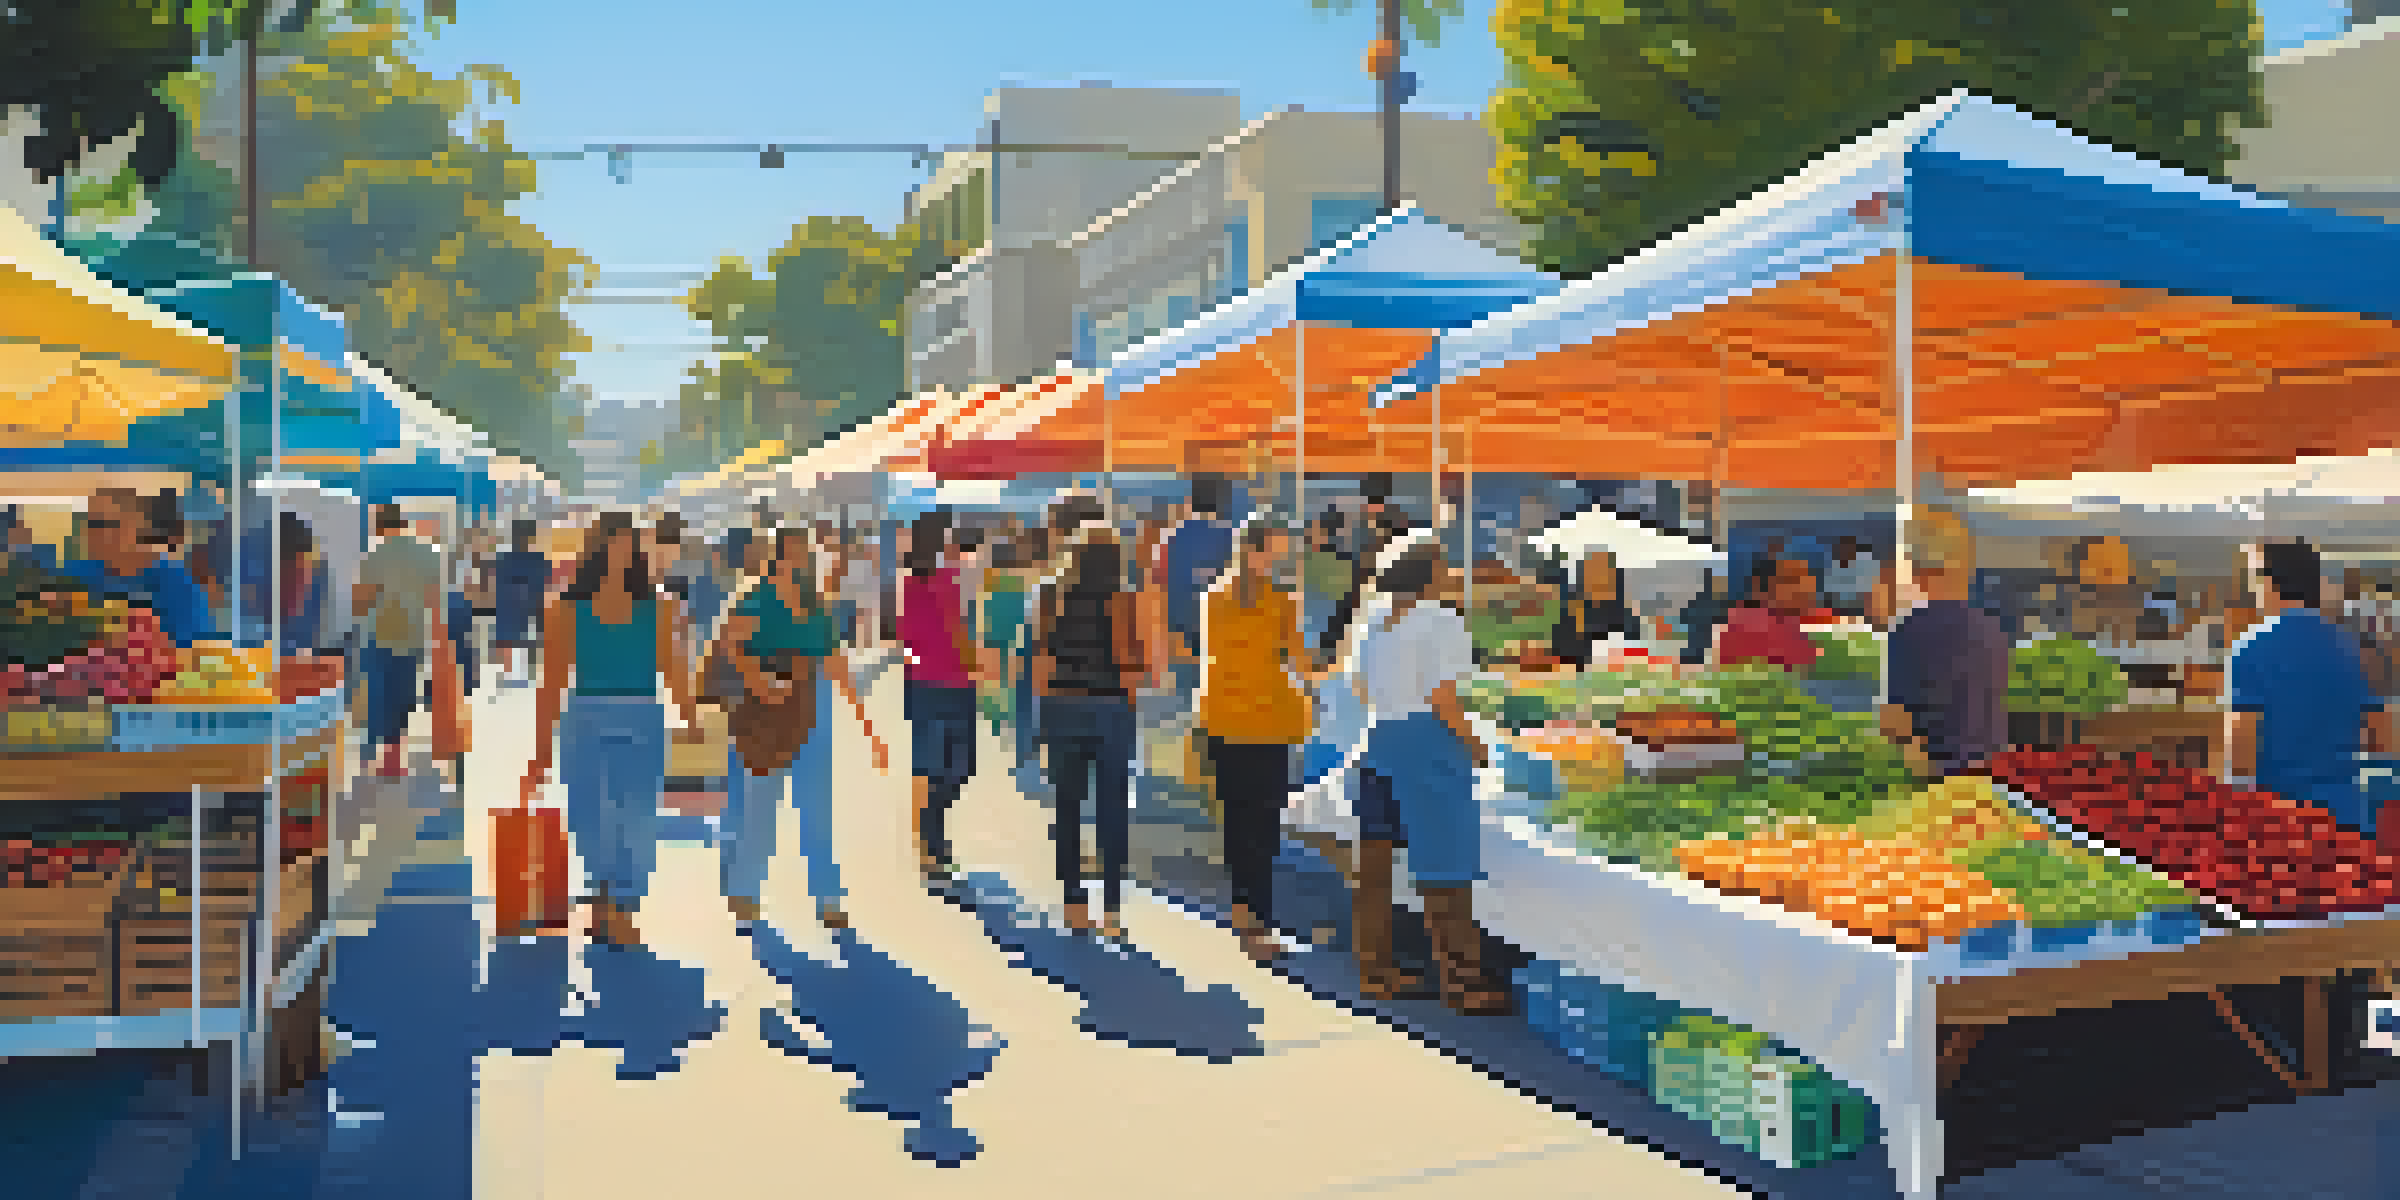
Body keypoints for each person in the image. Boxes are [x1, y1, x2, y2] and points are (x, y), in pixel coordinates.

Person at [520, 512, 704, 949]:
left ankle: (622, 905)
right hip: (584, 718)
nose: (620, 553)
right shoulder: (565, 608)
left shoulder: (659, 606)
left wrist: (693, 717)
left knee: (637, 817)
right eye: (612, 543)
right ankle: (604, 899)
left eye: (629, 545)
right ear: (595, 549)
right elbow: (552, 683)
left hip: (641, 717)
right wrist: (541, 751)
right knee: (589, 815)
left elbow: (672, 668)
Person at [1352, 542, 1509, 1015]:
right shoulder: (1441, 620)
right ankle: (1463, 985)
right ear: (1431, 574)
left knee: (1374, 872)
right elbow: (1443, 697)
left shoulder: (1375, 620)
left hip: (1378, 743)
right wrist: (1478, 746)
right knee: (1445, 873)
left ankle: (1376, 973)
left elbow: (1360, 688)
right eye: (1446, 566)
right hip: (1426, 745)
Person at [713, 526, 888, 933]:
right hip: (764, 710)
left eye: (803, 553)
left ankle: (827, 899)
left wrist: (867, 725)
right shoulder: (752, 599)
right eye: (790, 552)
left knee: (816, 809)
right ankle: (745, 890)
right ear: (774, 556)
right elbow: (729, 648)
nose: (798, 560)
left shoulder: (817, 607)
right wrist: (756, 677)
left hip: (813, 709)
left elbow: (835, 663)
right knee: (759, 809)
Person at [1198, 520, 1317, 963]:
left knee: (1236, 821)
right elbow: (1300, 663)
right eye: (1275, 551)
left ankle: (1244, 911)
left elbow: (1215, 653)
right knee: (1262, 827)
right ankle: (1259, 925)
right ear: (1255, 551)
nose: (1280, 559)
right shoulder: (1281, 602)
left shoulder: (1214, 598)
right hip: (1266, 719)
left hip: (1224, 717)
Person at [1032, 527, 1149, 939]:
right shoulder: (1125, 598)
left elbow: (1041, 660)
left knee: (1068, 806)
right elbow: (1134, 662)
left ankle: (1073, 904)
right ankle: (1112, 910)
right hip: (1111, 708)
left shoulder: (1050, 597)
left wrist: (1041, 720)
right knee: (1112, 808)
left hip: (1063, 707)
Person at [2225, 539, 2390, 832]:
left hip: (2281, 820)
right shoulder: (2354, 648)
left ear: (2270, 583)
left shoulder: (2250, 648)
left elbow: (2241, 748)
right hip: (2349, 815)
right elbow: (2382, 739)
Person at [1880, 509, 2010, 778]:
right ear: (1967, 565)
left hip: (1938, 778)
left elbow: (1898, 724)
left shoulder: (1911, 630)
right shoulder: (1990, 627)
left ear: (1916, 568)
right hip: (1991, 773)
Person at [896, 509, 982, 884]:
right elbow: (917, 633)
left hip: (941, 682)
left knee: (951, 766)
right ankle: (932, 845)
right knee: (943, 765)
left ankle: (931, 835)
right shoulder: (924, 583)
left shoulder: (941, 580)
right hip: (938, 682)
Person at [62, 488, 220, 649]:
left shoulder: (176, 582)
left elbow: (193, 648)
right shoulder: (74, 574)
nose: (98, 533)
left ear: (140, 526)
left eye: (112, 524)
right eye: (92, 524)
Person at [350, 505, 443, 777]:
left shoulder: (375, 555)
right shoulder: (430, 554)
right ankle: (393, 759)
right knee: (402, 697)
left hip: (380, 634)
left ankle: (367, 754)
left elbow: (360, 602)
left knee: (375, 693)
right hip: (414, 637)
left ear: (379, 526)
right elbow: (435, 603)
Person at [1163, 477, 1237, 699]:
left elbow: (1170, 584)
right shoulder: (1230, 537)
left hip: (1182, 629)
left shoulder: (1176, 536)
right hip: (1219, 630)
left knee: (1188, 702)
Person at [1713, 557, 1822, 672]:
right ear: (1767, 588)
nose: (1808, 588)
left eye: (1809, 579)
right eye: (1792, 581)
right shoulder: (1753, 622)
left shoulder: (1788, 621)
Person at [1550, 549, 1639, 667]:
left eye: (1605, 572)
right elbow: (1561, 660)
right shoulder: (1568, 618)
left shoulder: (1624, 618)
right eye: (1592, 572)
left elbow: (1634, 651)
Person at [492, 520, 551, 687]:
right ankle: (521, 672)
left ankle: (511, 673)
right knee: (528, 639)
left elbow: (498, 585)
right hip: (528, 606)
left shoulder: (504, 559)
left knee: (514, 639)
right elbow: (544, 584)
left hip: (512, 606)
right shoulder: (538, 559)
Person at [1824, 537, 1879, 619]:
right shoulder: (1834, 567)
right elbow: (1829, 591)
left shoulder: (1864, 563)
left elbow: (1870, 588)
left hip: (1861, 609)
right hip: (1839, 609)